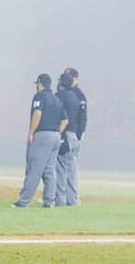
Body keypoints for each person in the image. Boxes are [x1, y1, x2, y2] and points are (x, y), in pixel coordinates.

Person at [12, 73, 67, 209]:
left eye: (37, 83)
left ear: (40, 83)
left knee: (34, 169)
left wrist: (31, 132)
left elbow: (37, 113)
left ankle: (24, 201)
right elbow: (65, 120)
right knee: (49, 170)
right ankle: (49, 201)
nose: (36, 86)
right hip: (55, 136)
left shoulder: (39, 96)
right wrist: (57, 133)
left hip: (43, 134)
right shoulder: (56, 99)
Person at [53, 72, 81, 205]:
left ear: (61, 83)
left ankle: (60, 199)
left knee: (60, 167)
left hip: (64, 133)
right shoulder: (75, 97)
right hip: (74, 134)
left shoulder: (59, 96)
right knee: (72, 169)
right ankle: (73, 199)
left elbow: (60, 117)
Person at [63, 67, 88, 204]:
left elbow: (83, 118)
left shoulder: (78, 95)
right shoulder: (72, 94)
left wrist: (80, 136)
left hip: (71, 134)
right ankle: (69, 197)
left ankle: (71, 198)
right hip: (70, 134)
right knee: (68, 167)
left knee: (69, 167)